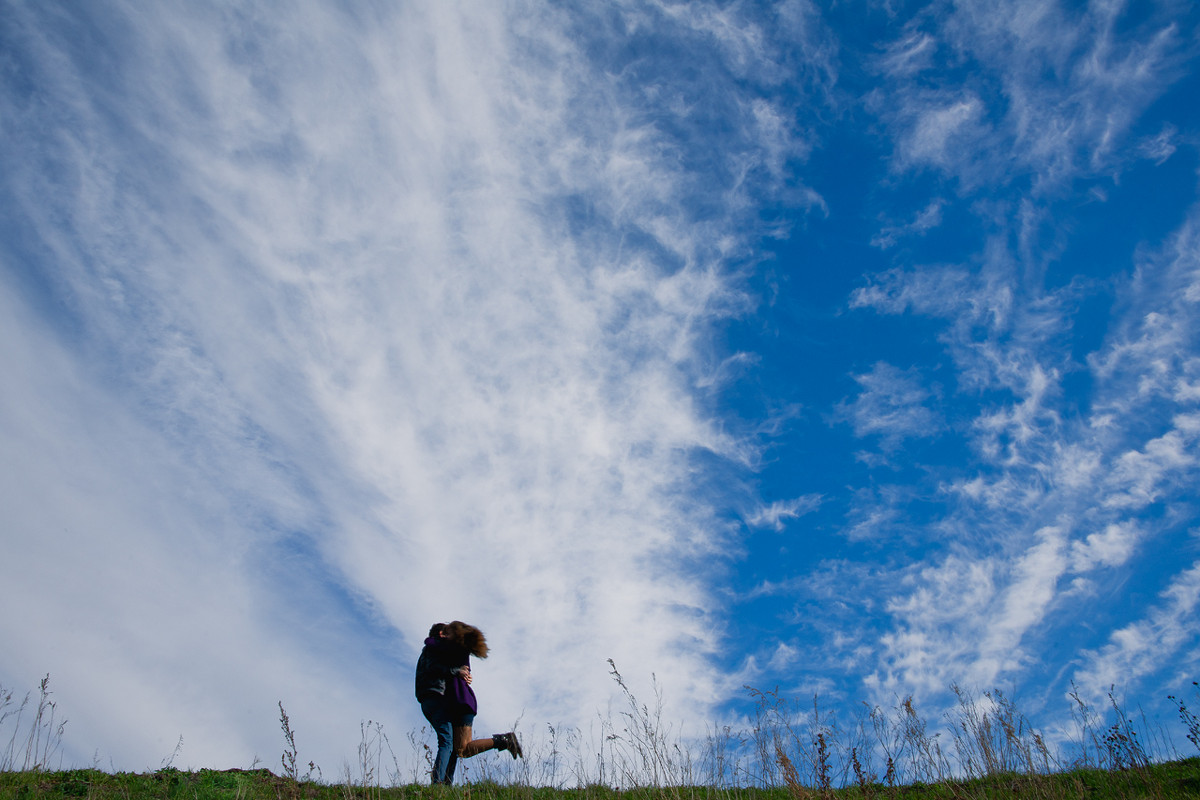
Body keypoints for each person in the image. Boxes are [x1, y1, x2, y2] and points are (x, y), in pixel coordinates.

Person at [414, 621, 522, 785]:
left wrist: (461, 671)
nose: (445, 635)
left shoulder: (452, 649)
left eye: (448, 632)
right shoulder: (441, 649)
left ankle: (503, 741)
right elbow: (436, 651)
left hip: (462, 702)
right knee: (457, 748)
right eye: (444, 632)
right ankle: (445, 785)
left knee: (458, 748)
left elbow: (451, 662)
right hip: (454, 702)